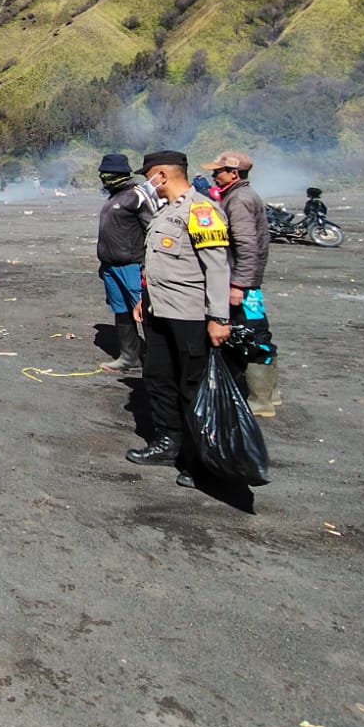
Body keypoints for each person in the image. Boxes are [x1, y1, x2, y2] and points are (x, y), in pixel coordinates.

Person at [125, 150, 231, 490]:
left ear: (161, 175)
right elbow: (158, 263)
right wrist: (144, 299)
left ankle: (202, 461)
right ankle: (168, 442)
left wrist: (219, 317)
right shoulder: (165, 211)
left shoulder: (200, 210)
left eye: (148, 177)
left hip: (190, 316)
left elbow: (217, 267)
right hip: (159, 312)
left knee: (192, 388)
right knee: (158, 378)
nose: (146, 183)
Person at [204, 150, 277, 417]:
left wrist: (238, 285)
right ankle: (269, 393)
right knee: (254, 332)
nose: (214, 175)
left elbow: (246, 246)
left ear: (234, 173)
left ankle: (262, 400)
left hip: (243, 285)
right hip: (245, 282)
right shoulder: (238, 195)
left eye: (219, 171)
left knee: (253, 335)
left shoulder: (239, 200)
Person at [95, 152, 157, 373]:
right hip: (111, 266)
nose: (102, 177)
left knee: (145, 312)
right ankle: (129, 357)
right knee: (121, 311)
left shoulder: (136, 195)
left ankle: (156, 360)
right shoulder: (113, 197)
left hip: (132, 265)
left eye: (106, 173)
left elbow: (153, 229)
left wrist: (147, 265)